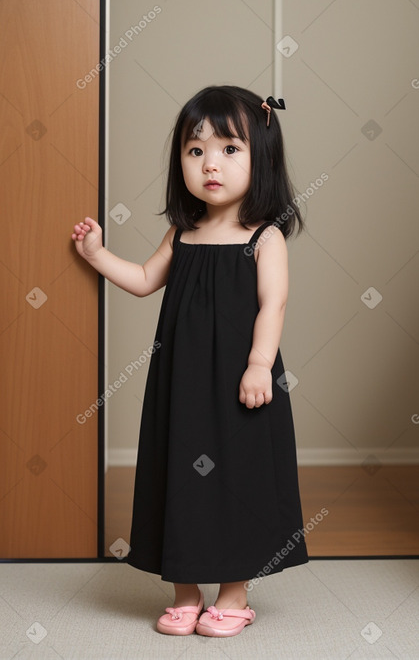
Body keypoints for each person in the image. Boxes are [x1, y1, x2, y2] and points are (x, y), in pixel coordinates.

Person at [72, 85, 309, 638]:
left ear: (262, 159)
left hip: (242, 384)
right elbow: (144, 281)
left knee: (239, 477)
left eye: (230, 149)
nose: (210, 165)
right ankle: (184, 592)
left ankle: (233, 594)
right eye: (195, 150)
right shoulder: (182, 233)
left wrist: (257, 365)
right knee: (181, 473)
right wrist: (97, 254)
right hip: (181, 383)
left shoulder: (265, 238)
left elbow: (274, 305)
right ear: (180, 160)